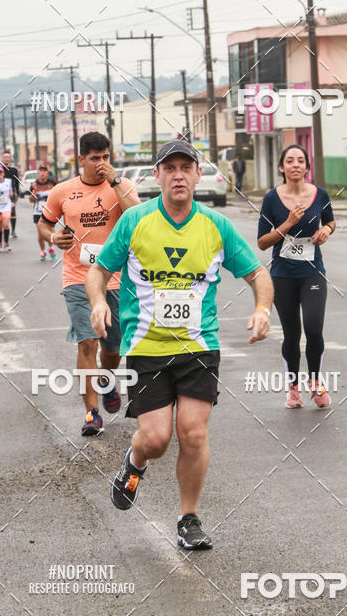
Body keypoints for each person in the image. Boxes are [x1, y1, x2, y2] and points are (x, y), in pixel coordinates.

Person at [86, 139, 273, 551]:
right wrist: (98, 301)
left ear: (197, 173)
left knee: (192, 434)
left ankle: (188, 518)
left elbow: (258, 273)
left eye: (185, 167)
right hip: (146, 348)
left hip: (198, 347)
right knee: (155, 440)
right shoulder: (135, 220)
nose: (178, 175)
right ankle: (133, 464)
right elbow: (98, 270)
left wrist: (262, 309)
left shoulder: (215, 226)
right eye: (169, 168)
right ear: (158, 176)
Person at [38, 132, 140, 436]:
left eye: (105, 157)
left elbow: (138, 217)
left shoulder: (121, 186)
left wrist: (116, 181)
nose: (101, 163)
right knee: (88, 342)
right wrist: (53, 237)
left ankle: (107, 382)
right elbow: (44, 224)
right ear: (81, 159)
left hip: (117, 280)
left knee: (113, 347)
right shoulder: (62, 191)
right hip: (77, 278)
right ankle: (91, 413)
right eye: (95, 158)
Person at [257, 144, 335, 410]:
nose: (295, 165)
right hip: (282, 275)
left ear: (307, 167)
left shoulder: (320, 194)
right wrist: (288, 224)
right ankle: (293, 389)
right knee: (292, 334)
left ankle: (315, 382)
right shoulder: (271, 198)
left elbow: (331, 220)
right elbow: (262, 242)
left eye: (300, 160)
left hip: (312, 272)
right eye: (289, 161)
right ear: (281, 167)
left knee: (313, 329)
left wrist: (326, 229)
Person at [29, 164, 57, 260]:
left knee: (49, 231)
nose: (42, 173)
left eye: (44, 171)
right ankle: (43, 251)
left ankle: (50, 247)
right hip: (37, 212)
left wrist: (52, 190)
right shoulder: (34, 184)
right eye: (40, 171)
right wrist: (34, 191)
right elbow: (31, 200)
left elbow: (58, 196)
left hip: (50, 212)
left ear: (47, 173)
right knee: (41, 232)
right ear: (38, 173)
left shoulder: (52, 182)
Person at [0, 151, 20, 238]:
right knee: (1, 212)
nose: (6, 159)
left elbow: (17, 182)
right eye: (5, 157)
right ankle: (3, 228)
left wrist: (17, 194)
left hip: (11, 194)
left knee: (12, 211)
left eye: (8, 157)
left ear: (10, 158)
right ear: (2, 158)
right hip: (0, 194)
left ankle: (13, 231)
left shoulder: (14, 170)